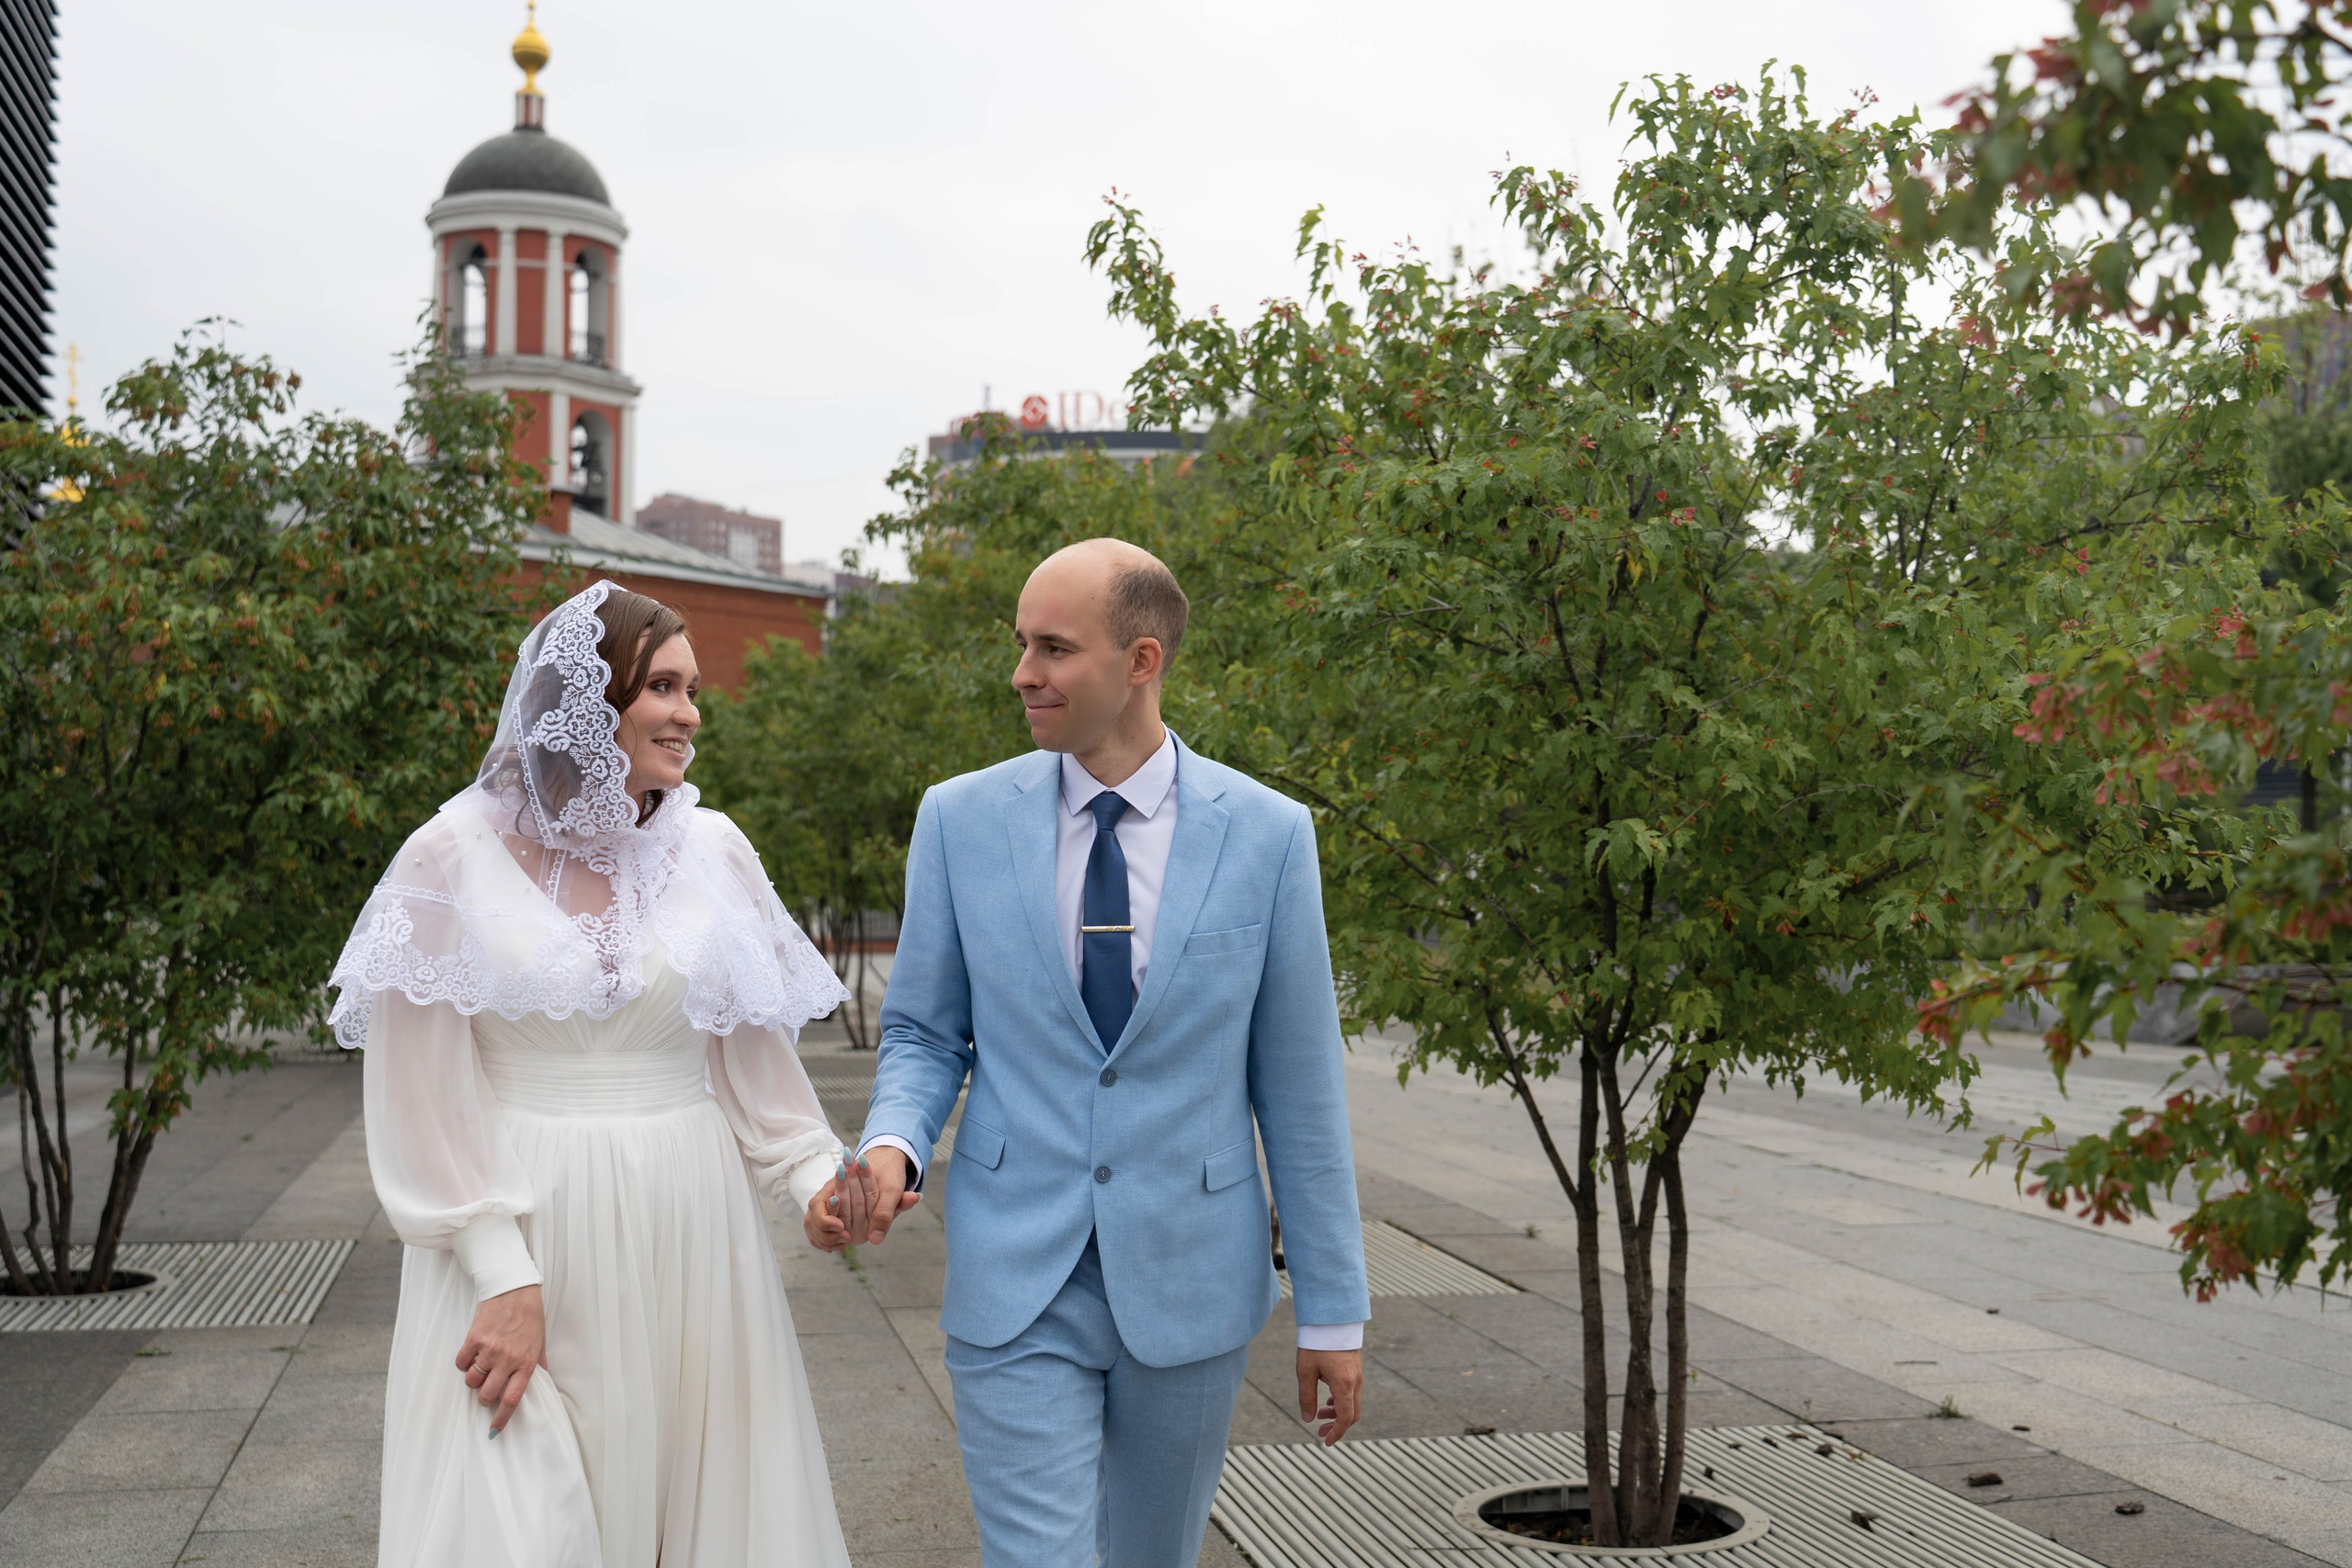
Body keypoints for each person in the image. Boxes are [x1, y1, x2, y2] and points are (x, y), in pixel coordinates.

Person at [835, 537, 1372, 1567]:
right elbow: (921, 1029)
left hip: (1192, 1276)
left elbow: (1300, 1090)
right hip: (1015, 1268)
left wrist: (1333, 1311)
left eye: (1052, 648)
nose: (1021, 674)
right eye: (1020, 645)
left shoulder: (1268, 834)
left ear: (1140, 662)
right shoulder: (958, 821)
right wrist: (893, 1143)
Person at [331, 581, 873, 1568]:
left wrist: (810, 1181)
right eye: (663, 685)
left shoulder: (714, 850)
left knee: (696, 1507)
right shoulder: (446, 858)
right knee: (527, 1520)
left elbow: (753, 1057)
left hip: (694, 1231)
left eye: (693, 688)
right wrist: (500, 1274)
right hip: (526, 1238)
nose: (690, 712)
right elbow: (418, 1096)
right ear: (588, 696)